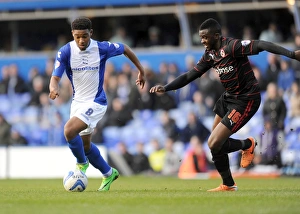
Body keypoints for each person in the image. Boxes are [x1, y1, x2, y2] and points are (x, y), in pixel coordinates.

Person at [149, 18, 300, 191]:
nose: (203, 41)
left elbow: (261, 44)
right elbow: (189, 75)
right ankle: (228, 183)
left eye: (205, 37)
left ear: (217, 36)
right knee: (214, 144)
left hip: (246, 100)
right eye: (201, 38)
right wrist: (166, 87)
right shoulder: (210, 55)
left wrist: (291, 55)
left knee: (214, 142)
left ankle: (247, 145)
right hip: (228, 98)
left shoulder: (232, 47)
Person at [49, 17, 145, 191]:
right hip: (77, 103)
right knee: (85, 146)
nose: (81, 40)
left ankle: (81, 165)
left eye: (84, 36)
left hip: (96, 101)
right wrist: (53, 88)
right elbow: (55, 77)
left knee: (69, 131)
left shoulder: (101, 48)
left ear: (90, 33)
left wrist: (141, 70)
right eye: (77, 36)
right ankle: (109, 173)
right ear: (72, 34)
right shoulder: (66, 51)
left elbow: (125, 48)